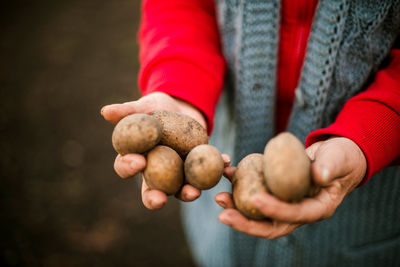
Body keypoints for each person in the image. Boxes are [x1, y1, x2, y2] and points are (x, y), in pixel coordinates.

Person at [101, 0, 400, 266]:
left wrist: (375, 130)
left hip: (369, 221)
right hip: (220, 205)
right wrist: (180, 88)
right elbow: (180, 6)